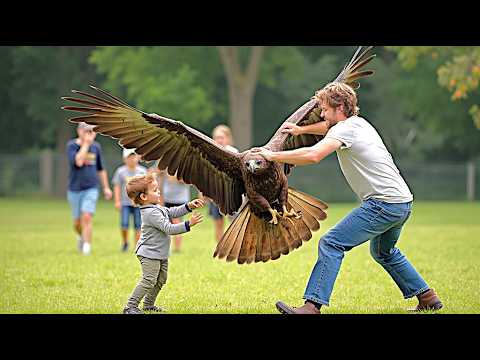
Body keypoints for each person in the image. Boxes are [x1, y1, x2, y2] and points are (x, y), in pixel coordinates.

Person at [252, 82, 443, 314]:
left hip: (383, 204)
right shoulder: (359, 124)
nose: (321, 114)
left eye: (324, 109)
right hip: (402, 201)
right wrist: (302, 131)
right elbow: (327, 128)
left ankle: (311, 307)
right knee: (384, 252)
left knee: (331, 243)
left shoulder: (344, 130)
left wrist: (272, 155)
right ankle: (428, 297)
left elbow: (314, 155)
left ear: (340, 106)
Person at [122, 173, 205, 314]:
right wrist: (188, 224)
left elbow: (171, 212)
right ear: (143, 197)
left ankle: (148, 305)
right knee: (149, 280)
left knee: (161, 279)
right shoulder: (150, 213)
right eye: (154, 190)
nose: (158, 191)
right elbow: (169, 228)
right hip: (149, 254)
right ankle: (130, 306)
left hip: (160, 253)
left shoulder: (156, 207)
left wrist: (188, 206)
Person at [66, 122, 112, 255]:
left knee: (86, 216)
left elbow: (100, 169)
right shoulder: (72, 146)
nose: (90, 133)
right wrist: (86, 144)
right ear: (79, 131)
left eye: (92, 131)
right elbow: (78, 162)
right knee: (77, 222)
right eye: (86, 130)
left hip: (91, 188)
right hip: (74, 189)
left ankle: (87, 248)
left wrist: (106, 188)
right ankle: (81, 237)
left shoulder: (96, 147)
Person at [204, 125, 239, 243]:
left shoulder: (234, 153)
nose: (219, 140)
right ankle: (219, 248)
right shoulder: (210, 153)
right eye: (217, 137)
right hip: (215, 192)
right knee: (218, 223)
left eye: (221, 137)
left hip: (231, 193)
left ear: (228, 138)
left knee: (234, 222)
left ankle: (233, 246)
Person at [112, 148, 148, 252]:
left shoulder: (142, 171)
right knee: (124, 224)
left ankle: (137, 246)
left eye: (134, 156)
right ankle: (125, 242)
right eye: (129, 157)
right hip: (125, 203)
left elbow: (146, 187)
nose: (132, 159)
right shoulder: (120, 171)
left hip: (138, 204)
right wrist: (117, 201)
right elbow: (117, 186)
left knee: (138, 225)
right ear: (125, 159)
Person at [158, 170, 192, 252]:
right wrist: (160, 198)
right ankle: (168, 247)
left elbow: (190, 181)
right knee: (166, 224)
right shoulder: (165, 165)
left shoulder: (185, 165)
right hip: (167, 199)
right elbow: (160, 182)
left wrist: (176, 178)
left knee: (177, 222)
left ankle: (177, 248)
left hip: (180, 200)